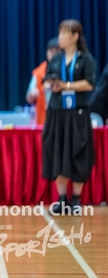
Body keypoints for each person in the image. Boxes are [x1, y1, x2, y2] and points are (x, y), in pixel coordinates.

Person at [42, 19, 96, 215]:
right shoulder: (56, 60)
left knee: (78, 152)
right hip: (57, 113)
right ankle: (62, 198)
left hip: (78, 114)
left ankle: (76, 199)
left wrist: (67, 86)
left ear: (75, 36)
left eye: (65, 33)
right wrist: (52, 84)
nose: (61, 37)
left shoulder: (86, 59)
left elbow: (90, 83)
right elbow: (46, 81)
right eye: (60, 33)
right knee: (57, 151)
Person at [26, 37, 61, 125]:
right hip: (43, 119)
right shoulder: (39, 72)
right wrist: (32, 94)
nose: (53, 55)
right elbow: (28, 98)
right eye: (51, 51)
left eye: (56, 52)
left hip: (61, 116)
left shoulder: (66, 70)